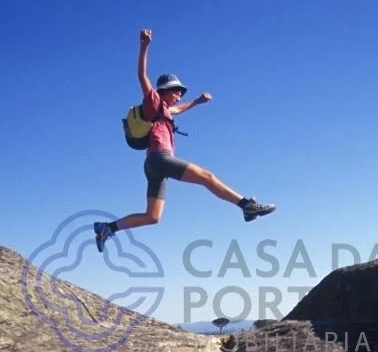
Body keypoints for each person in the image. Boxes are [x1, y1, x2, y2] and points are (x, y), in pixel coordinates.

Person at [94, 28, 276, 253]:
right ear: (163, 91)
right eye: (176, 90)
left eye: (181, 92)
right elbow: (142, 76)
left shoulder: (165, 110)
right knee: (207, 177)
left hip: (153, 166)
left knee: (153, 216)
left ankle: (108, 228)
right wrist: (144, 47)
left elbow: (179, 109)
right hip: (160, 158)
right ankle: (247, 205)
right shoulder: (153, 102)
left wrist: (197, 102)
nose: (179, 94)